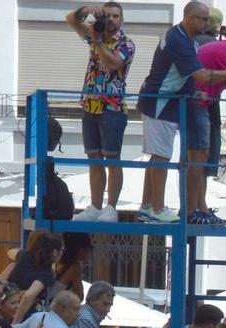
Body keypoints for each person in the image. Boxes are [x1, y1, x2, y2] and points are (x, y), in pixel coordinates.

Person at [135, 4, 226, 224]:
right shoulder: (179, 40)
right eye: (203, 19)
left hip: (166, 101)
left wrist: (194, 92)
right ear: (190, 18)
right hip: (160, 101)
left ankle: (148, 206)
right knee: (161, 156)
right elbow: (202, 75)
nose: (207, 25)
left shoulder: (188, 39)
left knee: (157, 154)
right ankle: (157, 208)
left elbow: (185, 75)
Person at [69, 3, 136, 219]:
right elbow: (70, 20)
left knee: (112, 157)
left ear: (122, 20)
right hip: (90, 105)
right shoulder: (94, 33)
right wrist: (86, 10)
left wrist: (97, 42)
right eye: (107, 15)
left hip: (113, 107)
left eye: (116, 16)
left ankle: (111, 208)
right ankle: (95, 207)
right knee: (94, 158)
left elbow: (114, 63)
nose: (111, 20)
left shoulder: (126, 44)